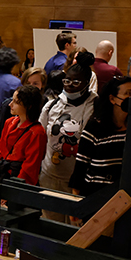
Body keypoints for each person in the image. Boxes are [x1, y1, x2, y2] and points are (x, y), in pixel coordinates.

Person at [38, 52, 98, 223]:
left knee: (74, 226)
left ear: (86, 84)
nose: (70, 86)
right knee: (51, 223)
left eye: (76, 82)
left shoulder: (95, 107)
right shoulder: (52, 105)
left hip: (78, 180)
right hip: (50, 175)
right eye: (67, 81)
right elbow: (41, 135)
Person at [69, 76, 131, 197]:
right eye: (128, 94)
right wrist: (76, 200)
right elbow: (80, 166)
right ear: (112, 99)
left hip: (124, 197)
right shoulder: (95, 127)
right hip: (96, 194)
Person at [0, 85, 47, 186]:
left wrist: (14, 190)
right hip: (1, 174)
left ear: (29, 106)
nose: (10, 104)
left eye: (16, 102)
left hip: (18, 181)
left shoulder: (37, 132)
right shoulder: (9, 122)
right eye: (12, 100)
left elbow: (30, 168)